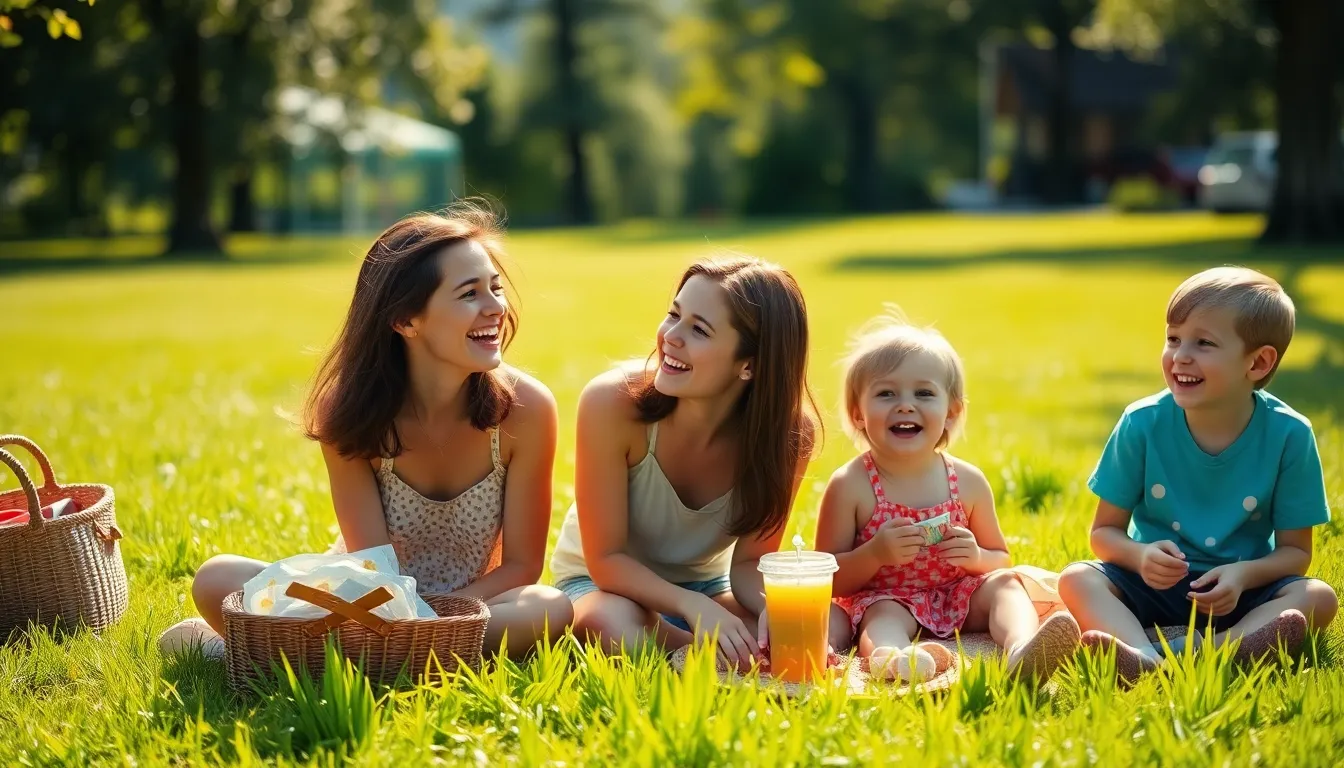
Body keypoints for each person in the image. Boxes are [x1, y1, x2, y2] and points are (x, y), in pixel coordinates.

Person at [159, 202, 572, 659]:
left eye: (495, 288)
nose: (496, 307)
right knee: (218, 577)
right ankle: (405, 657)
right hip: (364, 597)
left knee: (547, 608)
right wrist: (399, 621)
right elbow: (371, 568)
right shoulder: (349, 411)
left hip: (476, 606)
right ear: (405, 320)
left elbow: (520, 568)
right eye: (469, 293)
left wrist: (434, 618)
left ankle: (292, 654)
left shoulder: (526, 409)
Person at [1059, 266, 1338, 683]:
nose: (1180, 355)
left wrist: (1243, 575)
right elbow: (1104, 534)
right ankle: (1140, 656)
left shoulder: (1289, 435)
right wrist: (1141, 556)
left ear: (1258, 362)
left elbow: (1296, 553)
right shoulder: (1142, 423)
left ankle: (1204, 650)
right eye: (1173, 338)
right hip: (1152, 581)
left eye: (1204, 343)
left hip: (1239, 590)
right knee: (1077, 578)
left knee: (1318, 596)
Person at [548, 255, 819, 670]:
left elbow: (747, 565)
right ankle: (712, 657)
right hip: (601, 586)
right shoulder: (611, 403)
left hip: (708, 589)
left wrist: (775, 613)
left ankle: (711, 654)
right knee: (612, 626)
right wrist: (692, 609)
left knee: (801, 624)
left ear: (750, 364)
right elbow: (607, 561)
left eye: (698, 329)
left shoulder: (788, 437)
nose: (670, 337)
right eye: (674, 315)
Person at [816, 313, 1080, 682]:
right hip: (888, 597)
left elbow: (1000, 558)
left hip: (959, 594)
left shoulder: (967, 481)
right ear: (858, 413)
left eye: (923, 393)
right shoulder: (851, 485)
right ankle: (894, 659)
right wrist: (874, 554)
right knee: (884, 617)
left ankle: (1024, 648)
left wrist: (974, 557)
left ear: (952, 410)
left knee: (1006, 586)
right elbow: (827, 578)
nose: (905, 405)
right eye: (886, 393)